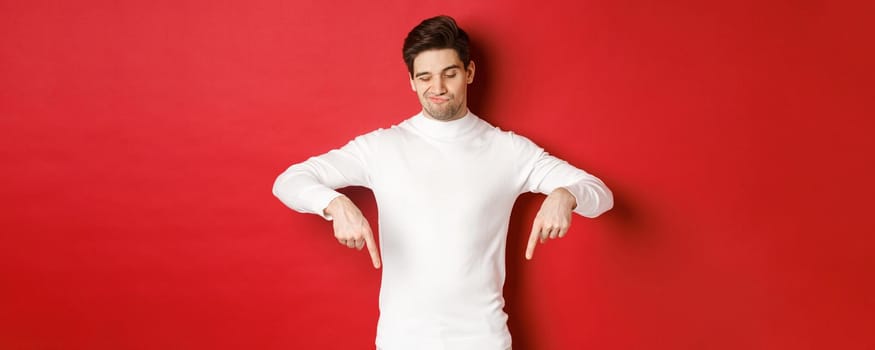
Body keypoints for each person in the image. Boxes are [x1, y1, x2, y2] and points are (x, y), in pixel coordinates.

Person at [272, 15, 613, 350]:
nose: (437, 88)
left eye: (449, 74)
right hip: (401, 341)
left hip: (484, 340)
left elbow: (600, 194)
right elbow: (289, 181)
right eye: (425, 77)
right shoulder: (381, 147)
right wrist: (334, 204)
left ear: (469, 72)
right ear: (412, 81)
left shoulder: (509, 150)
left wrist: (565, 194)